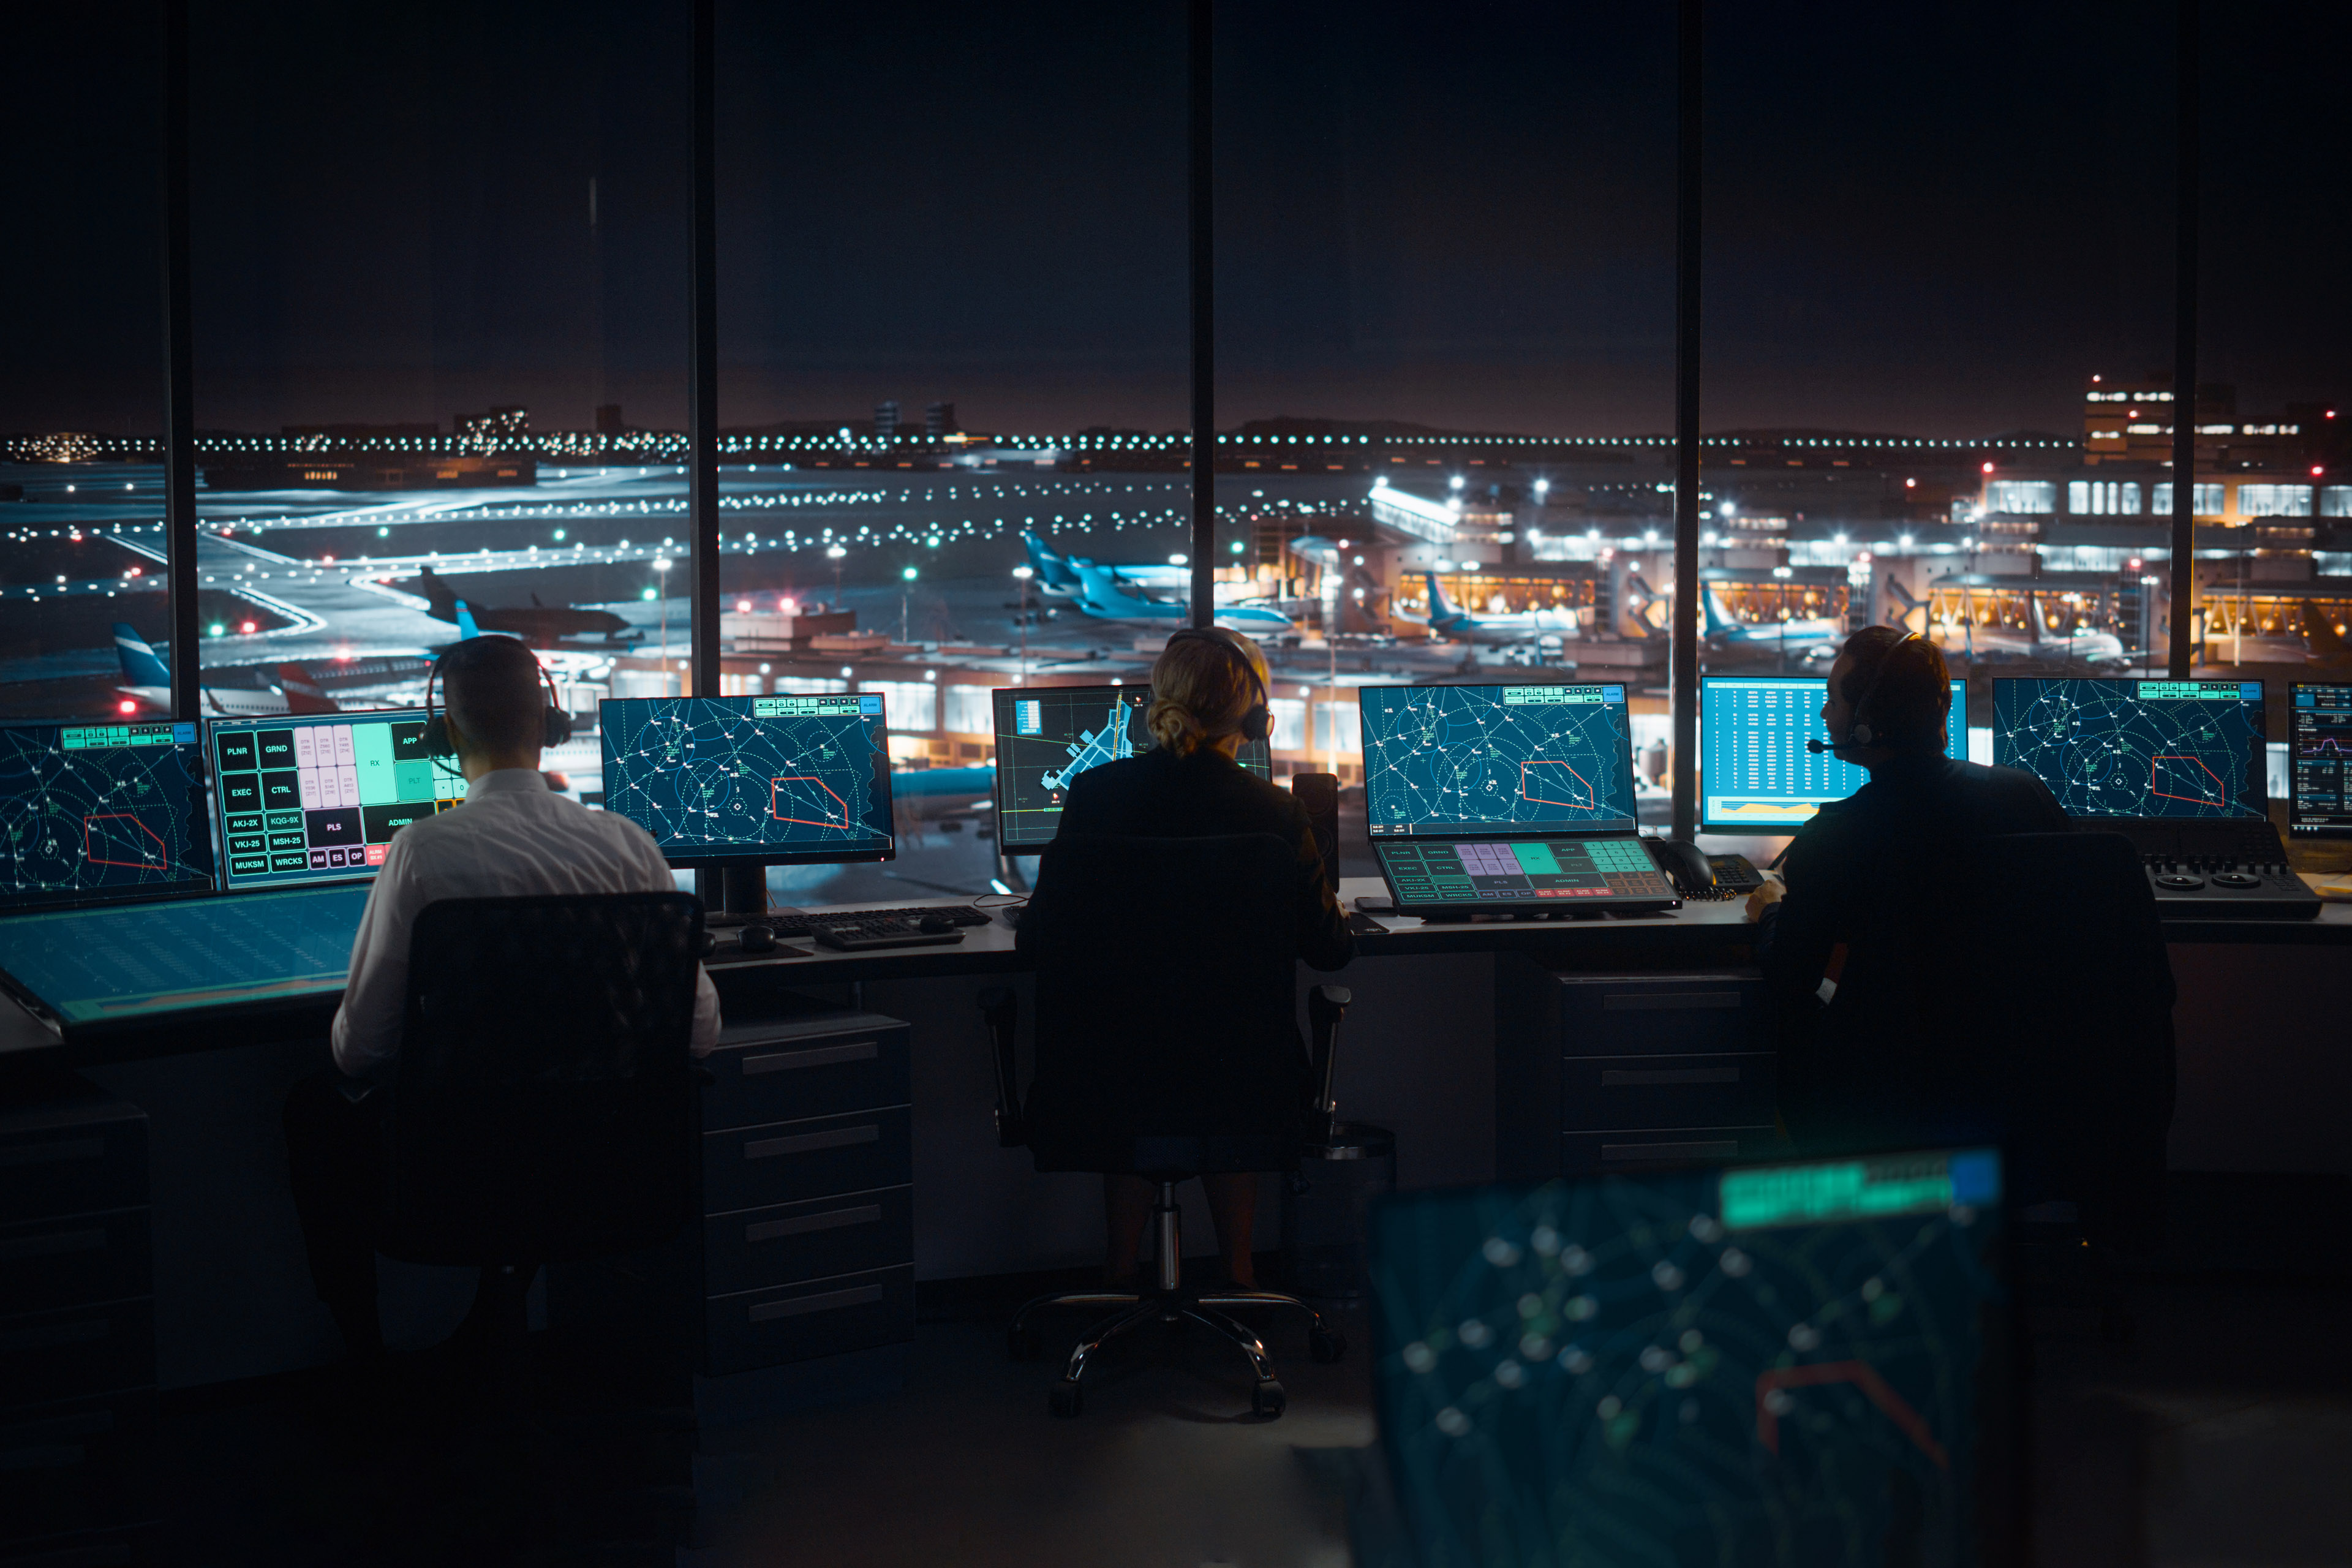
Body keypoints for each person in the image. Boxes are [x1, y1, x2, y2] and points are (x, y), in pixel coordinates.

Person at [282, 635, 722, 1364]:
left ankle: (368, 1365)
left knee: (310, 1107)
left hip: (460, 1176)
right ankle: (500, 1326)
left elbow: (359, 1050)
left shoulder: (423, 850)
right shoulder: (633, 846)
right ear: (551, 726)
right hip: (610, 1166)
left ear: (444, 736)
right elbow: (699, 1036)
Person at [1020, 627, 1352, 1291]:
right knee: (1226, 1065)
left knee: (1136, 1062)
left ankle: (1118, 1275)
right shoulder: (1277, 814)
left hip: (1107, 1077)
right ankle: (1239, 1277)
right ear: (1257, 718)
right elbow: (1330, 950)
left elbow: (1037, 941)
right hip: (1239, 1078)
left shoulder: (1093, 797)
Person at [1744, 625, 2068, 1151]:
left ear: (1870, 721)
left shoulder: (1840, 834)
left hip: (1892, 1103)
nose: (1825, 716)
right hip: (2027, 1089)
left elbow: (1790, 975)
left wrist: (1772, 908)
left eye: (1832, 699)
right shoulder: (2024, 798)